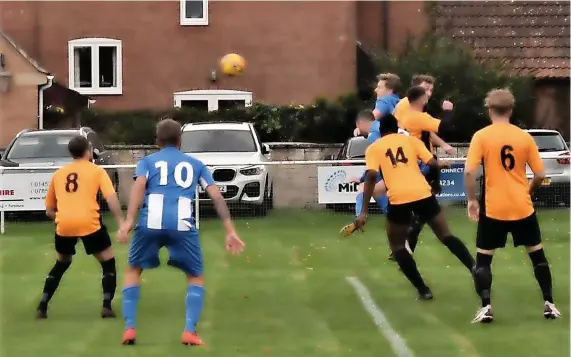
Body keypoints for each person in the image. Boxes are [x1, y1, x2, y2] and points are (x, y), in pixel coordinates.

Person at [117, 119, 245, 346]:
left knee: (133, 270)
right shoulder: (196, 164)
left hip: (150, 223)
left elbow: (139, 187)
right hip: (183, 225)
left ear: (157, 142)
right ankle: (189, 331)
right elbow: (216, 196)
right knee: (195, 275)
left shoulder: (146, 162)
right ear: (180, 141)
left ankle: (129, 328)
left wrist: (128, 221)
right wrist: (230, 230)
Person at [464, 89, 561, 323]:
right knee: (537, 255)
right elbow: (539, 174)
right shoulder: (524, 137)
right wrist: (527, 191)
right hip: (521, 206)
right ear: (511, 110)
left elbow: (469, 170)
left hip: (494, 206)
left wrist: (472, 200)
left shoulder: (482, 136)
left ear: (489, 110)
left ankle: (486, 306)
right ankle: (549, 303)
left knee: (484, 259)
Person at [354, 114, 475, 300]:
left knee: (397, 247)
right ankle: (474, 267)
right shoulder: (411, 141)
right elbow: (432, 162)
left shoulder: (374, 148)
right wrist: (436, 182)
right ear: (396, 128)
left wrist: (363, 212)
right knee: (446, 235)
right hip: (423, 194)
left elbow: (370, 177)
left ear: (380, 130)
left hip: (399, 199)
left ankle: (423, 290)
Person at [36, 136, 123, 319]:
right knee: (108, 262)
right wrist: (121, 223)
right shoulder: (96, 171)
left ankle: (42, 306)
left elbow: (49, 210)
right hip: (88, 221)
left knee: (61, 263)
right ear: (88, 151)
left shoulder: (59, 174)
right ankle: (106, 306)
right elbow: (111, 198)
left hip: (64, 223)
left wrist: (61, 217)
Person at [392, 75, 455, 258]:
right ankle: (405, 242)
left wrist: (442, 145)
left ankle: (405, 244)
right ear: (416, 90)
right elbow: (422, 127)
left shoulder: (413, 108)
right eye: (425, 89)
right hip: (420, 160)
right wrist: (448, 112)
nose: (429, 93)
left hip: (423, 158)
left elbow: (425, 130)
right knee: (426, 205)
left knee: (423, 205)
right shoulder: (407, 107)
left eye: (431, 90)